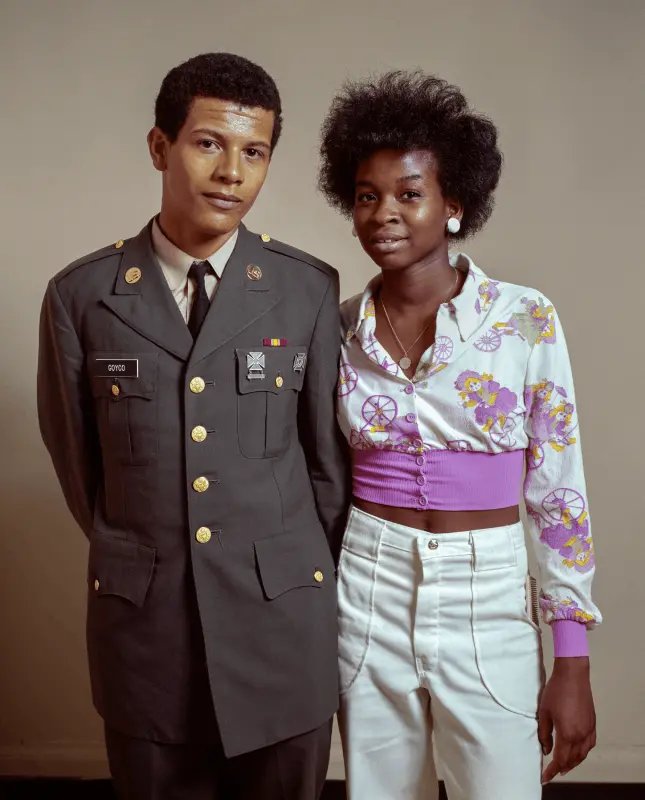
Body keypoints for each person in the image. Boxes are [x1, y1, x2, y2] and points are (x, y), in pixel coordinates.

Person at [37, 52, 350, 800]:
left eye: (254, 152)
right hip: (148, 635)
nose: (231, 172)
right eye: (208, 143)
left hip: (280, 627)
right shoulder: (82, 296)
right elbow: (81, 468)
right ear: (159, 147)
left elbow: (326, 470)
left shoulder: (305, 289)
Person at [318, 70, 601, 799]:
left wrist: (569, 656)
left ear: (453, 205)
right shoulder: (333, 328)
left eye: (409, 194)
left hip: (487, 589)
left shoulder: (523, 318)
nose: (384, 213)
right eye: (366, 195)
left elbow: (556, 491)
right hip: (366, 583)